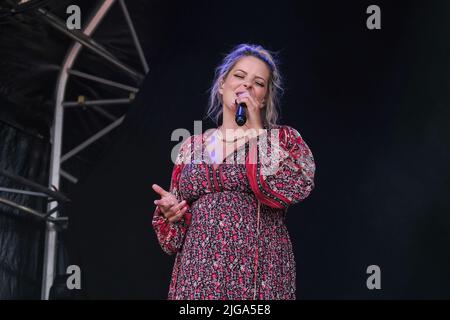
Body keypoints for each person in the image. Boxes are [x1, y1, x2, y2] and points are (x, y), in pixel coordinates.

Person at [152, 43, 315, 300]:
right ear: (221, 84)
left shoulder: (282, 139)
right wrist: (172, 213)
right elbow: (171, 240)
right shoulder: (190, 146)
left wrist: (256, 131)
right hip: (197, 275)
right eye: (239, 76)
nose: (247, 85)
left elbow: (292, 187)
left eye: (258, 82)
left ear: (264, 98)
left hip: (257, 275)